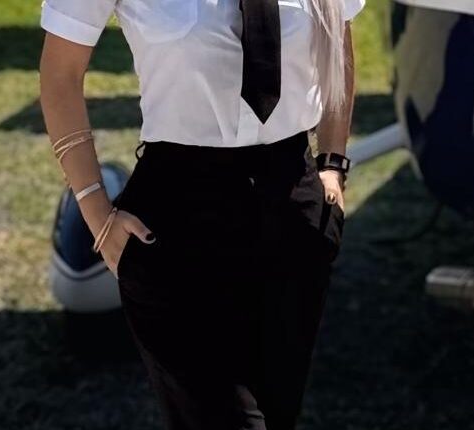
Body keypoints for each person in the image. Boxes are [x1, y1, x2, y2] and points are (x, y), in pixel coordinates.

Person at [38, 0, 365, 428]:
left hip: (292, 208)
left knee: (276, 415)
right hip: (177, 218)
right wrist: (95, 210)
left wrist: (333, 165)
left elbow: (337, 42)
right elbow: (60, 75)